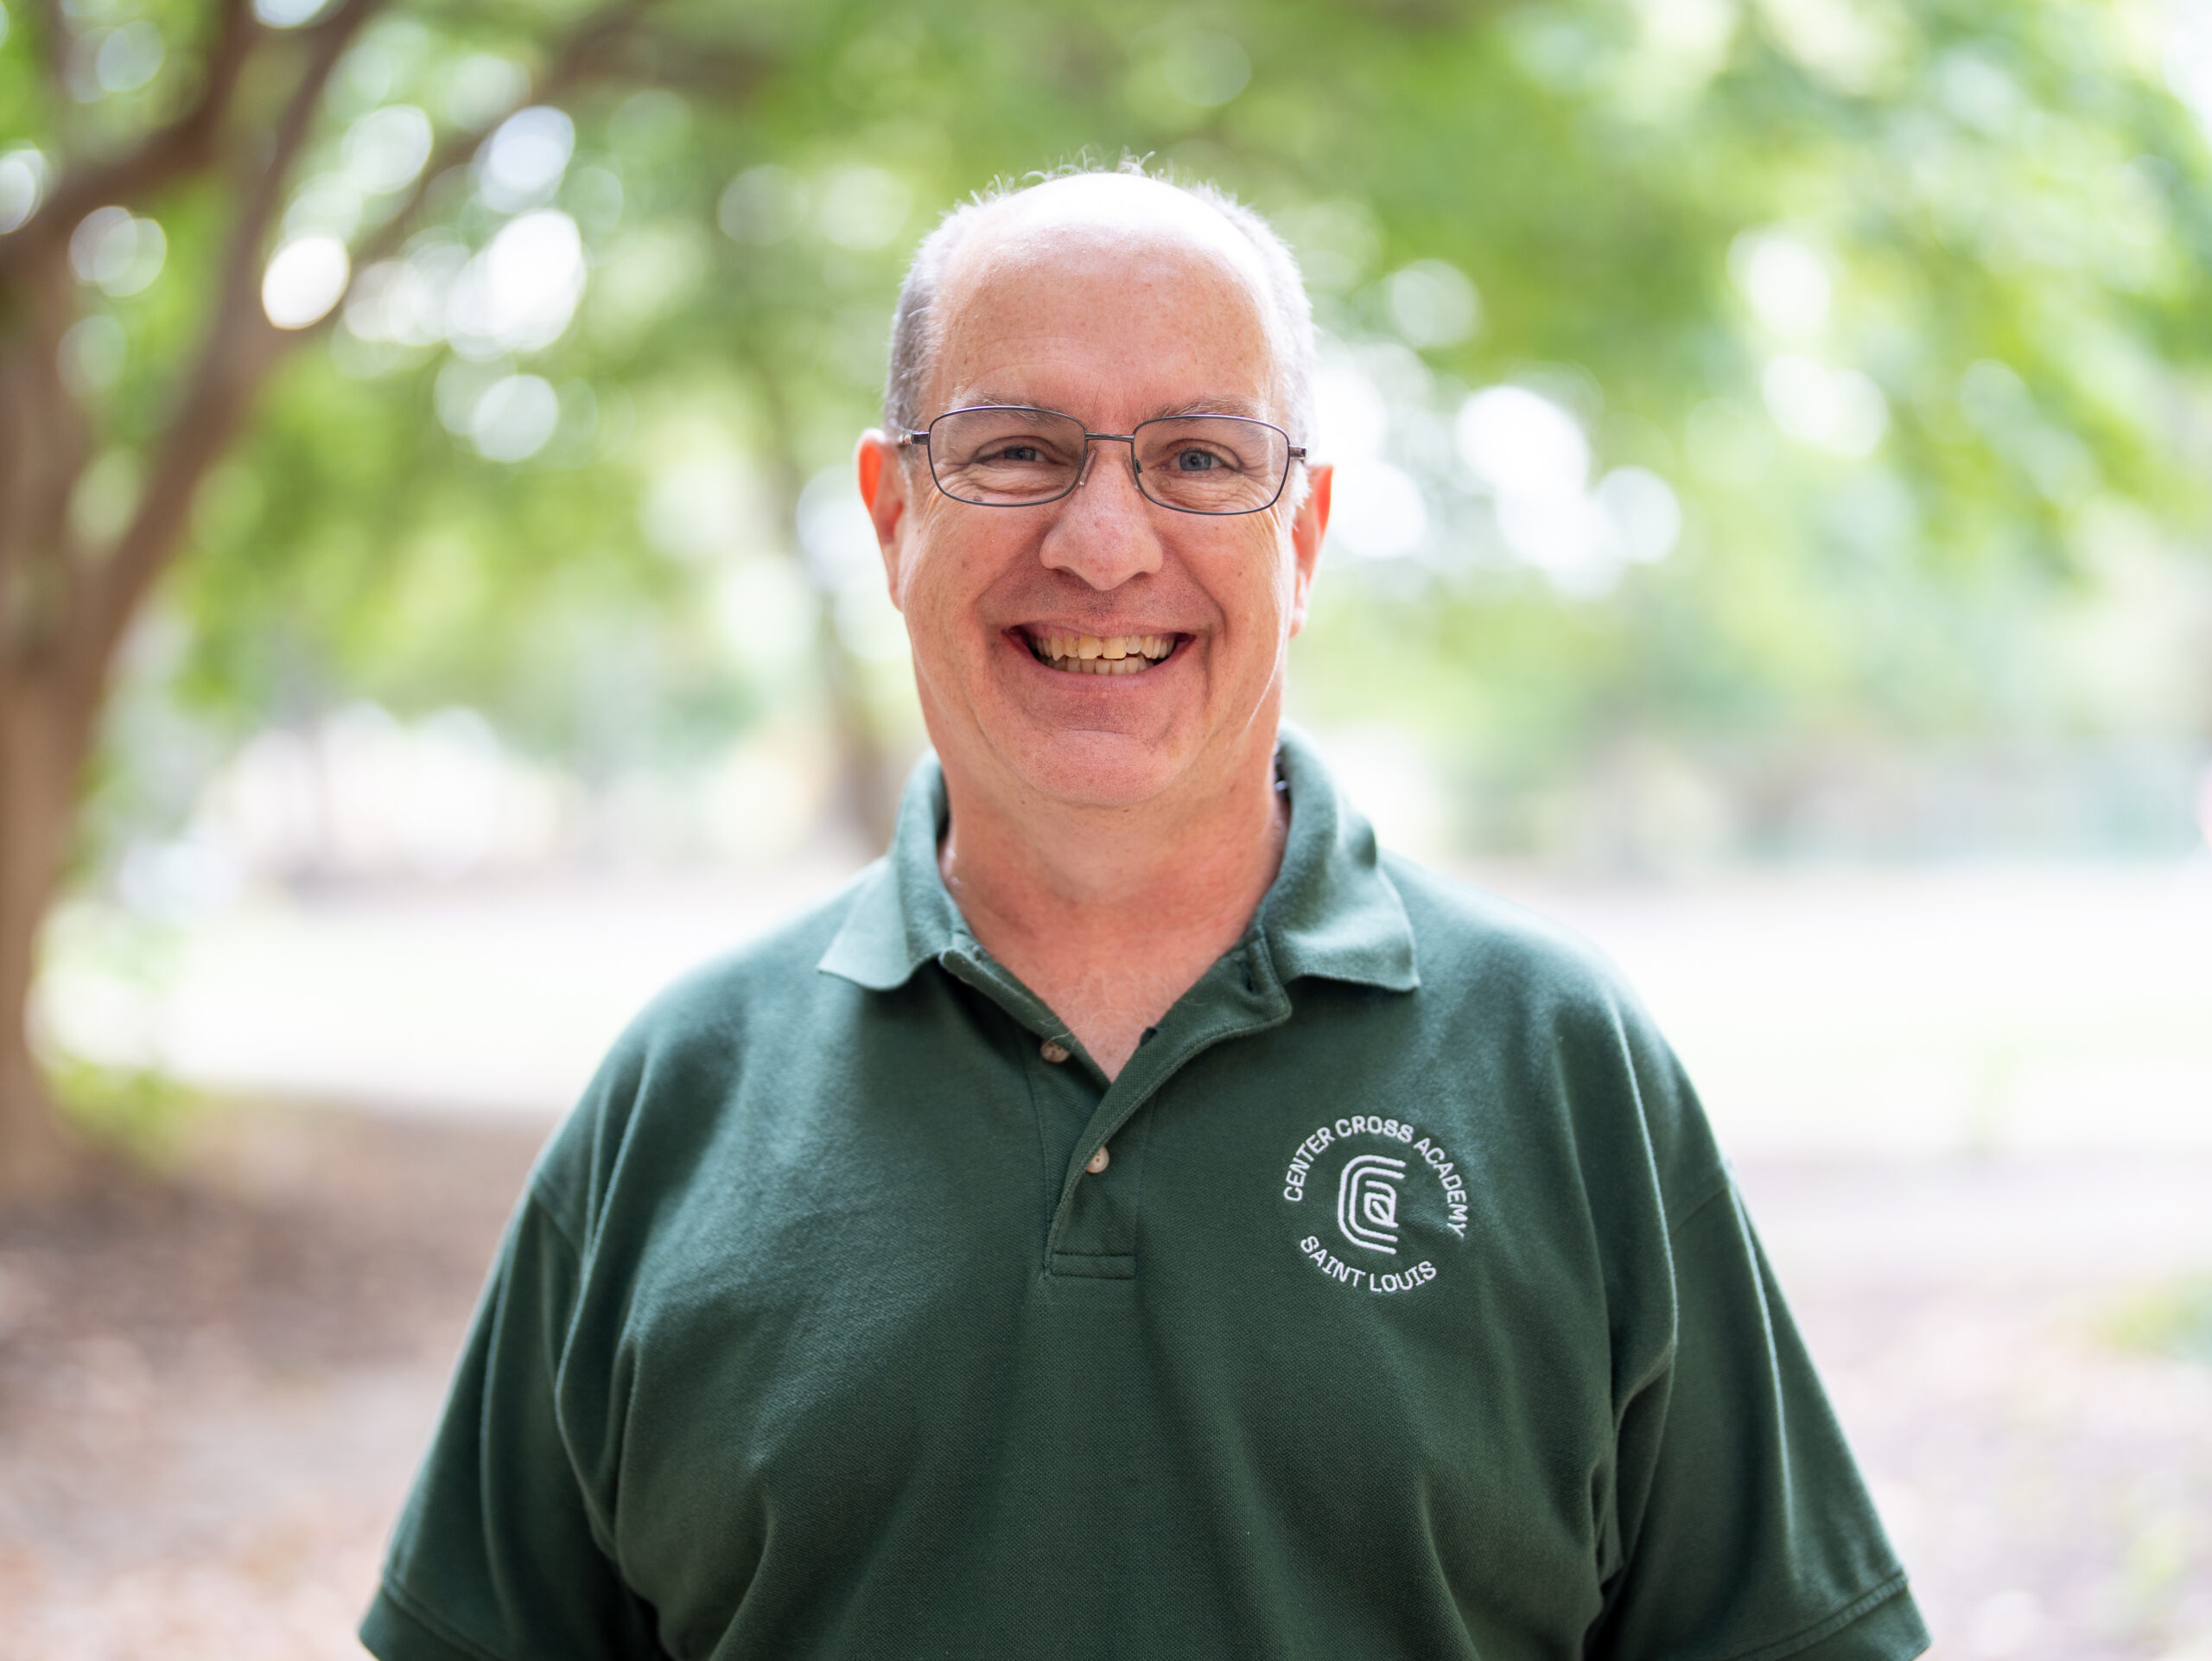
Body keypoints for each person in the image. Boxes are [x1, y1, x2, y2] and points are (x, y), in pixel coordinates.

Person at [360, 166, 1930, 1661]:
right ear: (891, 511)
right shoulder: (680, 1094)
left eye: (1197, 457)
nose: (1103, 544)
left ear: (1300, 537)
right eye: (1017, 448)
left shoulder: (1560, 1066)